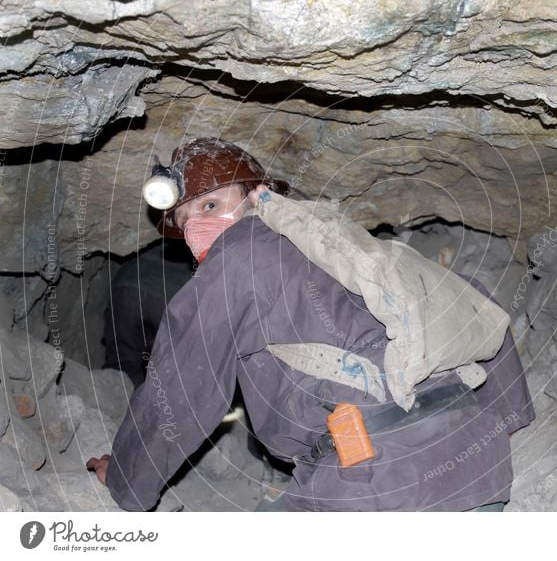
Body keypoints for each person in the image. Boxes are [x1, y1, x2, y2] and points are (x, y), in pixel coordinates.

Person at [87, 137, 534, 511]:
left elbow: (181, 385)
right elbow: (467, 299)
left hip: (375, 485)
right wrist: (506, 420)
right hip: (479, 467)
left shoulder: (238, 256)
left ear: (257, 194)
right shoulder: (342, 244)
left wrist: (127, 479)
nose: (198, 227)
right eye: (186, 223)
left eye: (210, 204)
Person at [101, 241, 193, 387]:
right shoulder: (198, 235)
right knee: (173, 372)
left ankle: (112, 406)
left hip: (127, 287)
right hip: (169, 295)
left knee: (122, 364)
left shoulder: (147, 231)